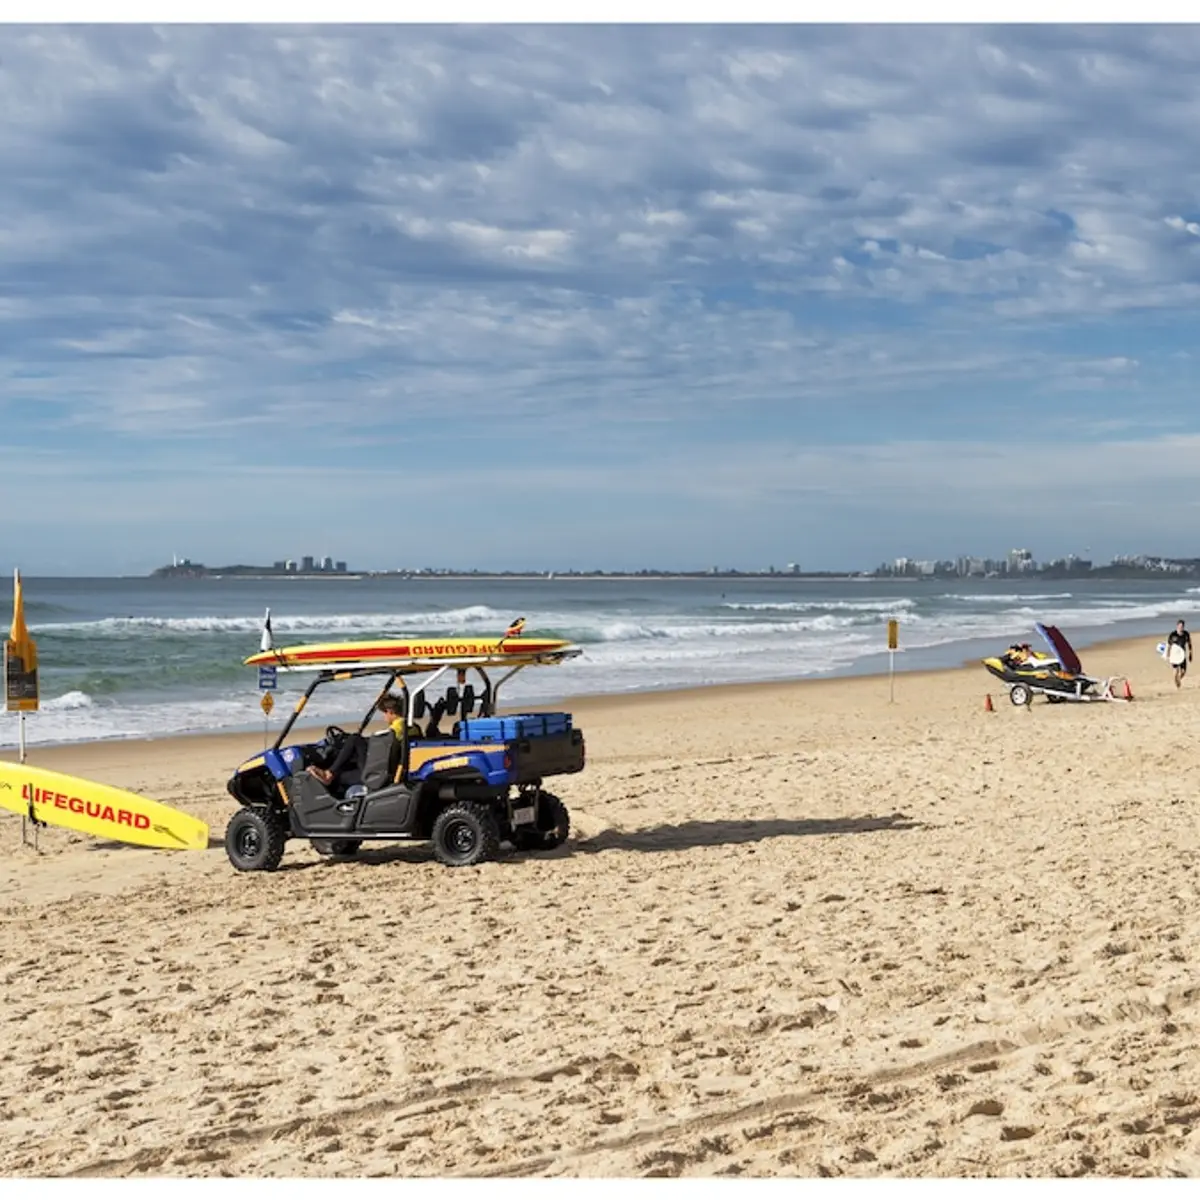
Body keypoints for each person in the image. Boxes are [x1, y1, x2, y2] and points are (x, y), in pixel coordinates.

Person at [1167, 619, 1193, 688]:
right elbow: (1169, 646)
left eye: (1182, 626)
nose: (1181, 627)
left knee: (1183, 671)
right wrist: (1168, 655)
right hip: (1174, 655)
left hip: (1182, 655)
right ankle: (1176, 681)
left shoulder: (1186, 634)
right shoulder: (1173, 635)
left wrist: (1190, 654)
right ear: (1177, 626)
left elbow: (1189, 644)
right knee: (1176, 670)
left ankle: (1178, 679)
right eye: (1180, 626)